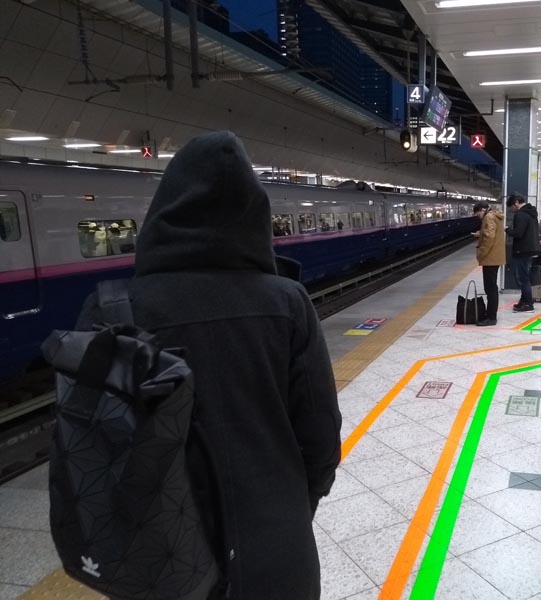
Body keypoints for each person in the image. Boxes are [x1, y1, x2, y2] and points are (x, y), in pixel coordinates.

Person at [76, 132, 342, 599]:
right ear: (256, 215)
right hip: (279, 550)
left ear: (162, 211)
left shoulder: (112, 311)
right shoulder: (288, 302)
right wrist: (292, 508)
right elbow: (320, 437)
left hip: (159, 558)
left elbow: (92, 453)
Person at [505, 192, 540, 312]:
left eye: (512, 207)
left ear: (516, 203)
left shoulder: (521, 215)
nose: (512, 210)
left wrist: (507, 230)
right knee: (524, 276)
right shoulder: (531, 213)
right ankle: (524, 300)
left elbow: (518, 233)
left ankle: (528, 303)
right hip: (530, 249)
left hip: (522, 250)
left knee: (523, 278)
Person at [472, 201, 505, 326]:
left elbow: (489, 238)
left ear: (482, 210)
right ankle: (491, 314)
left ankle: (491, 317)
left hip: (490, 257)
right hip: (495, 256)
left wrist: (481, 253)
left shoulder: (489, 217)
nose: (478, 217)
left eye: (477, 214)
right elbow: (492, 234)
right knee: (492, 287)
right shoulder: (495, 215)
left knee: (490, 288)